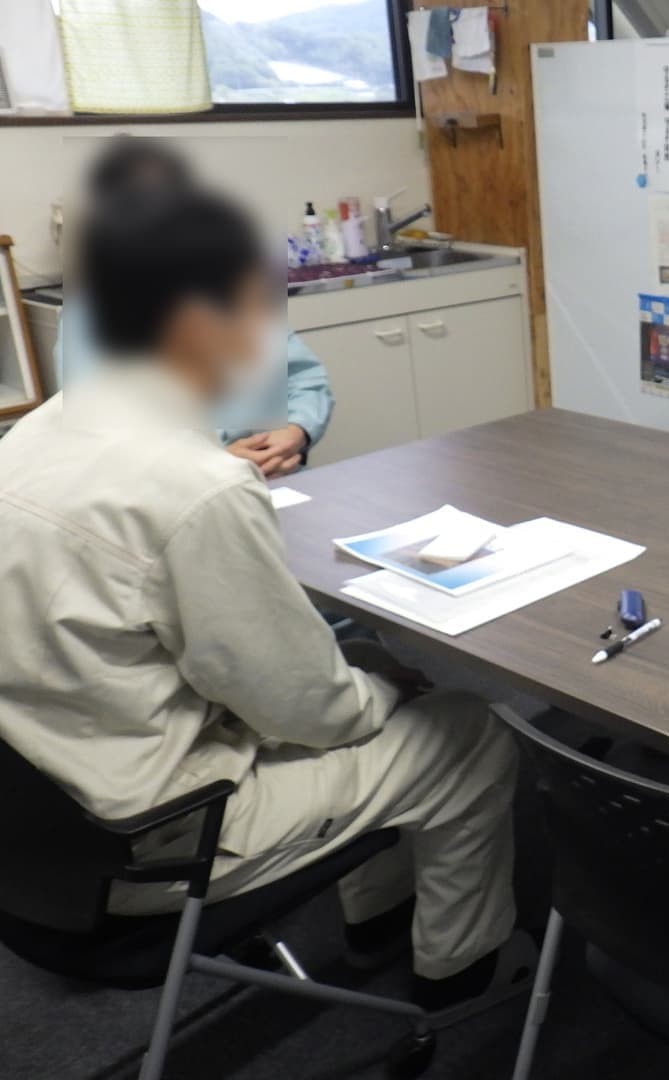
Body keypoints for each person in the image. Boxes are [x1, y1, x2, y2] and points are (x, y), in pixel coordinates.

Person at [0, 184, 520, 1019]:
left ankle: (377, 919)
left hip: (43, 822)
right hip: (158, 838)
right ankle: (459, 980)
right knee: (465, 731)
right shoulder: (197, 486)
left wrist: (358, 680)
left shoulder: (32, 435)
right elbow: (305, 706)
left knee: (357, 667)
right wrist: (384, 691)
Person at [56, 136, 333, 478]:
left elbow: (303, 378)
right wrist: (212, 463)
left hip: (274, 474)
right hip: (179, 487)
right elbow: (104, 434)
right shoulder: (87, 319)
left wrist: (295, 431)